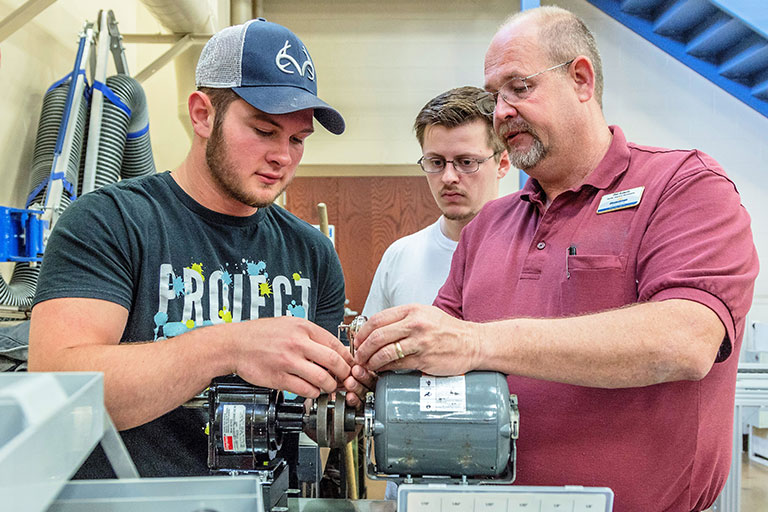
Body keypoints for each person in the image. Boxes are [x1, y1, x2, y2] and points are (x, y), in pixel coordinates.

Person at [347, 6, 759, 511]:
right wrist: (382, 364)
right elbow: (441, 354)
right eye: (495, 96)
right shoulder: (488, 227)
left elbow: (686, 341)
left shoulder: (683, 188)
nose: (500, 112)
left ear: (581, 79)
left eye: (519, 88)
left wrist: (478, 341)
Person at [28, 19, 371, 477]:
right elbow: (58, 392)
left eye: (297, 139)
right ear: (203, 114)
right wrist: (228, 348)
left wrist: (352, 399)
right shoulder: (111, 222)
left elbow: (318, 425)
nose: (283, 157)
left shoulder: (312, 253)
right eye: (264, 131)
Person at [362, 86, 510, 316]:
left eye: (467, 162)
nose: (449, 177)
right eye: (436, 162)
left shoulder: (528, 253)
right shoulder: (400, 257)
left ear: (502, 164)